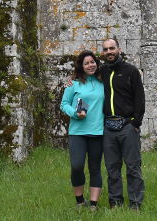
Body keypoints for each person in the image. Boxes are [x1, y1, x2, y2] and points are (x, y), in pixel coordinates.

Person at [100, 37, 145, 210]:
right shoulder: (102, 72)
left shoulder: (131, 71)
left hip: (127, 126)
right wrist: (71, 80)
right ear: (103, 53)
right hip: (108, 127)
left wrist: (135, 122)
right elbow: (84, 76)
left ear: (118, 49)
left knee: (133, 167)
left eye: (112, 48)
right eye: (105, 49)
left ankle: (135, 204)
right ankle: (115, 203)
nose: (109, 52)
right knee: (112, 168)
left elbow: (139, 98)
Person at [60, 50, 105, 211]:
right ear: (81, 66)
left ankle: (93, 204)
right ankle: (80, 201)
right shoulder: (74, 84)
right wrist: (75, 113)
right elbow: (64, 104)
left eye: (92, 62)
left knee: (95, 168)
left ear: (97, 63)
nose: (90, 65)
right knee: (77, 166)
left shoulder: (103, 82)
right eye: (86, 63)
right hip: (77, 132)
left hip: (98, 132)